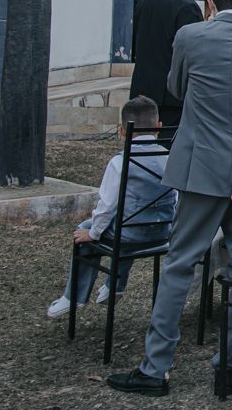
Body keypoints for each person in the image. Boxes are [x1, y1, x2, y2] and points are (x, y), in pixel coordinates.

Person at [107, 0, 232, 398]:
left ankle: (156, 367)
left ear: (208, 0)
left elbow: (175, 87)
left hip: (201, 171)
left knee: (179, 263)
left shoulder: (190, 38)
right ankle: (229, 364)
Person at [48, 96, 175, 318]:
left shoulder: (119, 162)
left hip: (129, 236)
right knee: (127, 221)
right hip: (163, 232)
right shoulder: (169, 158)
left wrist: (93, 233)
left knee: (85, 230)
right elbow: (175, 197)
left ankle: (74, 297)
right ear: (159, 126)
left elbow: (107, 206)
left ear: (122, 131)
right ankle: (114, 286)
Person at [128, 0, 204, 128]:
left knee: (139, 139)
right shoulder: (188, 6)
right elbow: (192, 52)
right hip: (170, 95)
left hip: (142, 88)